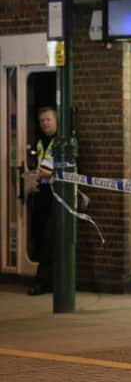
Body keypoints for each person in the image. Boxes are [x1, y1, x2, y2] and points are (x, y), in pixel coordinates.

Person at [28, 107, 58, 296]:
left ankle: (41, 283)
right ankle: (48, 282)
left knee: (49, 240)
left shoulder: (61, 143)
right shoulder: (40, 143)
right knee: (42, 239)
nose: (45, 123)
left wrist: (52, 174)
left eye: (48, 119)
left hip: (57, 197)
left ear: (56, 121)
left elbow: (70, 170)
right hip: (43, 196)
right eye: (42, 120)